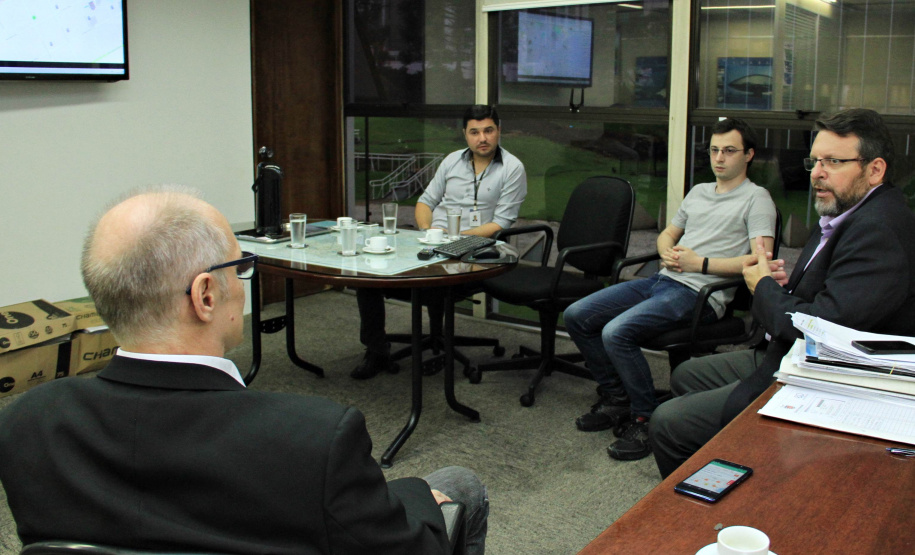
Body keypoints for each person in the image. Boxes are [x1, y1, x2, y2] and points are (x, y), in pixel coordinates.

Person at [0, 186, 489, 554]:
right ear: (206, 296)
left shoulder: (28, 421)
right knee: (457, 484)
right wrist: (421, 496)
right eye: (240, 267)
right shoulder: (316, 439)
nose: (242, 283)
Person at [650, 108, 915, 478]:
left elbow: (824, 329)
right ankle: (726, 459)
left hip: (824, 376)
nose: (817, 173)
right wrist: (781, 287)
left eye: (833, 162)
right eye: (815, 161)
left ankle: (723, 494)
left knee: (667, 422)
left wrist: (762, 288)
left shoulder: (878, 231)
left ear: (875, 170)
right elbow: (830, 293)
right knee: (686, 375)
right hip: (786, 348)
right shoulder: (844, 212)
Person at [563, 118, 778, 462]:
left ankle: (645, 417)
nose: (719, 158)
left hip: (701, 294)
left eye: (729, 151)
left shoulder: (757, 198)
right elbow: (668, 234)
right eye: (714, 150)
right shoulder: (699, 192)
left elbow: (759, 261)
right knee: (577, 315)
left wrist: (699, 264)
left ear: (749, 155)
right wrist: (666, 251)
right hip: (662, 281)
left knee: (616, 332)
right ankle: (617, 398)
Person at [352, 104, 527, 379]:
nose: (482, 138)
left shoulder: (513, 168)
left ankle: (436, 339)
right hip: (432, 241)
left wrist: (454, 240)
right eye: (475, 132)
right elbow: (426, 201)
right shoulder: (452, 160)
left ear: (499, 131)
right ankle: (376, 351)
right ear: (465, 134)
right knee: (369, 277)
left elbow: (501, 223)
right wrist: (427, 230)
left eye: (488, 130)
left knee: (430, 283)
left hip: (475, 252)